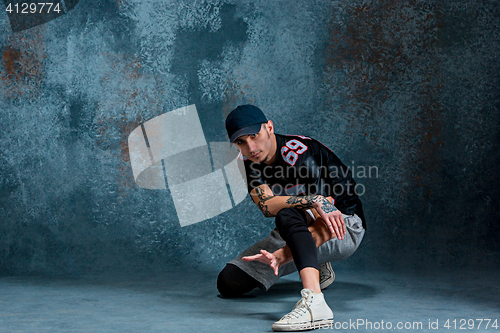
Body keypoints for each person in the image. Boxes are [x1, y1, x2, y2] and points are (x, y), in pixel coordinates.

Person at [217, 105, 366, 331]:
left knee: (287, 213)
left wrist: (281, 256)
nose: (250, 147)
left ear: (269, 128)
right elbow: (267, 205)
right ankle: (317, 263)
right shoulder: (248, 162)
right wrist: (310, 200)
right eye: (241, 142)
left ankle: (315, 304)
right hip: (299, 226)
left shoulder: (301, 154)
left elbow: (325, 223)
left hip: (342, 226)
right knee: (229, 281)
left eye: (254, 136)